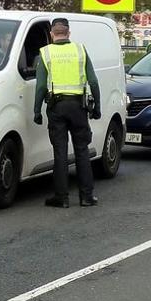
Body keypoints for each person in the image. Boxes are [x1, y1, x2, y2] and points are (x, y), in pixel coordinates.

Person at [34, 17, 101, 208]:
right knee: (82, 151)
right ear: (69, 33)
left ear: (52, 34)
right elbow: (94, 82)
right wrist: (97, 107)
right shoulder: (80, 51)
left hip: (56, 108)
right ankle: (87, 197)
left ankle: (61, 198)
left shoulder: (45, 53)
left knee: (60, 153)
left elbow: (40, 87)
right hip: (78, 107)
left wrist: (36, 111)